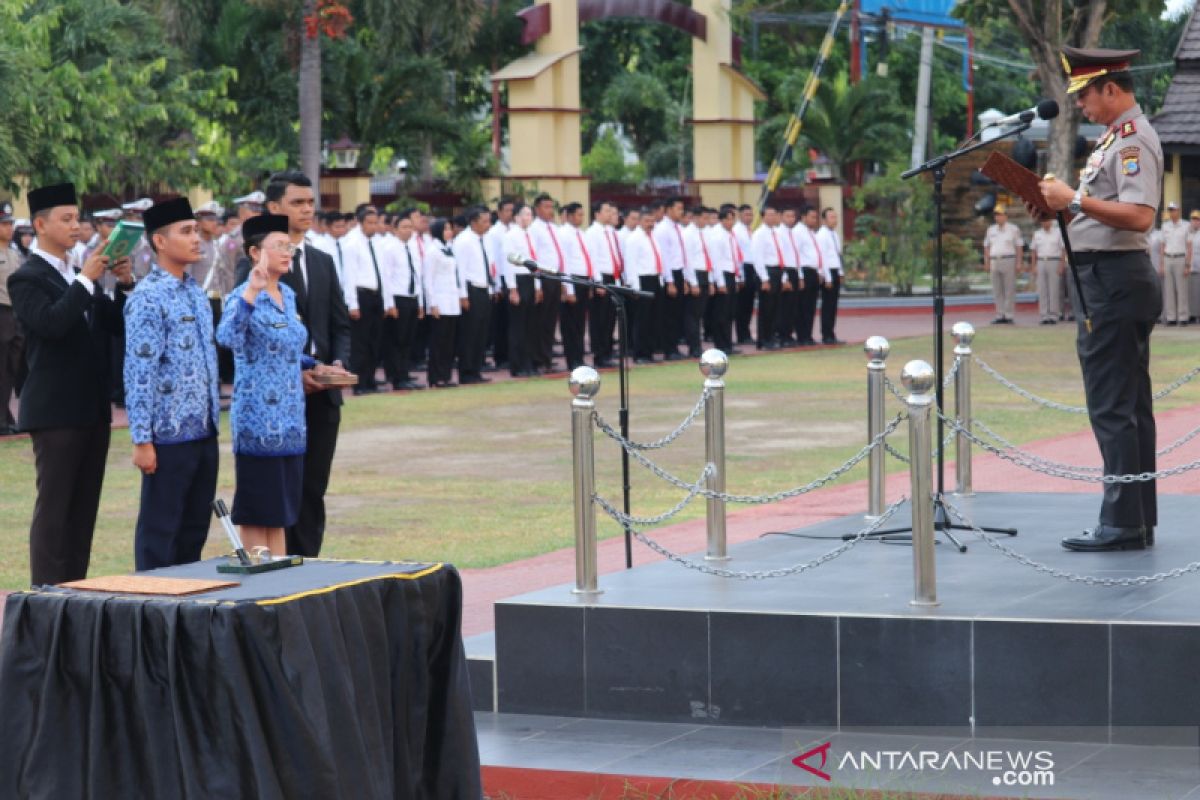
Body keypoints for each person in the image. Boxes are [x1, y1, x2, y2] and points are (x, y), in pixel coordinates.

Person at [1038, 46, 1163, 552]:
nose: (1082, 107)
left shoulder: (1133, 142)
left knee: (1113, 405)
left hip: (1114, 279)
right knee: (1129, 405)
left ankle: (1121, 522)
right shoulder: (1113, 140)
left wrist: (1072, 199)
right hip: (1108, 278)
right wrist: (1056, 203)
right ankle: (1135, 518)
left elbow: (1139, 216)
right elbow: (1100, 211)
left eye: (1086, 95)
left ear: (1112, 88)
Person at [8, 183, 134, 585]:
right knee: (55, 510)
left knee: (83, 512)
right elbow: (52, 325)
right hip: (56, 410)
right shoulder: (26, 278)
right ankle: (46, 597)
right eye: (65, 219)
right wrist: (86, 282)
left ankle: (76, 594)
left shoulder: (81, 273)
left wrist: (124, 284)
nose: (75, 227)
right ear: (40, 225)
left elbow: (114, 326)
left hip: (91, 408)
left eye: (77, 218)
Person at [217, 214, 326, 556]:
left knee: (280, 512)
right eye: (278, 246)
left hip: (292, 422)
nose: (286, 251)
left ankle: (278, 583)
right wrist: (252, 289)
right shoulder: (242, 297)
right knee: (259, 510)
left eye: (288, 246)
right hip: (259, 423)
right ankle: (261, 586)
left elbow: (288, 347)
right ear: (254, 253)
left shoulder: (289, 295)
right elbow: (227, 336)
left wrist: (317, 366)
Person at [124, 198, 221, 570]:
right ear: (160, 242)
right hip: (167, 436)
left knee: (194, 532)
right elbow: (139, 372)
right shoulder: (148, 297)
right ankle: (151, 619)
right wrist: (142, 439)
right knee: (159, 534)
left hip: (203, 431)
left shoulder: (195, 292)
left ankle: (185, 618)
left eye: (196, 230)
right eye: (186, 231)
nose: (196, 238)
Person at [261, 171, 352, 557]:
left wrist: (337, 364)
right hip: (280, 395)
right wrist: (293, 373)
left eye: (310, 203)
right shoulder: (258, 263)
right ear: (274, 208)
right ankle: (283, 562)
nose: (307, 210)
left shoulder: (322, 260)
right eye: (297, 203)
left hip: (323, 394)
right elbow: (256, 334)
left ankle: (309, 563)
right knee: (283, 486)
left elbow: (339, 323)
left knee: (314, 487)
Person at [341, 205, 390, 394]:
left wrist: (387, 301)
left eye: (376, 222)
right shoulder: (351, 243)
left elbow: (383, 273)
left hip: (376, 294)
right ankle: (359, 383)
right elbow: (350, 276)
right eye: (369, 223)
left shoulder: (378, 242)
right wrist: (352, 304)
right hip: (361, 295)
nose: (373, 226)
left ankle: (370, 380)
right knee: (360, 343)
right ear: (360, 223)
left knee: (374, 341)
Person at [381, 211, 425, 390]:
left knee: (408, 340)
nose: (408, 231)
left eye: (410, 227)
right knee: (397, 340)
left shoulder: (413, 247)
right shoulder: (390, 248)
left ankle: (405, 373)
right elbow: (387, 277)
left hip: (412, 297)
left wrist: (421, 303)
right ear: (395, 229)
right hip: (398, 298)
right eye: (404, 227)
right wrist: (389, 304)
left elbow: (418, 275)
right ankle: (397, 377)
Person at [451, 206, 495, 384]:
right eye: (484, 221)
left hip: (484, 289)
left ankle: (476, 369)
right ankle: (467, 372)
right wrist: (463, 295)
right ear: (474, 222)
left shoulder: (485, 239)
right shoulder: (464, 240)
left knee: (481, 333)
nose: (488, 224)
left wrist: (491, 289)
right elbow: (460, 270)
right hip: (471, 290)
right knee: (469, 333)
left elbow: (488, 266)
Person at [623, 206, 668, 362]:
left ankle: (649, 351)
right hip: (642, 280)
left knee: (653, 319)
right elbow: (631, 264)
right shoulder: (634, 238)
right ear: (640, 221)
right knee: (641, 320)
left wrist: (661, 280)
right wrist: (635, 287)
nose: (650, 223)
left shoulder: (653, 237)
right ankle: (640, 354)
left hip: (655, 279)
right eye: (647, 221)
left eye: (652, 221)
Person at [528, 195, 567, 372]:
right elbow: (533, 257)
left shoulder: (554, 228)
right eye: (546, 207)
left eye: (552, 207)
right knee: (539, 321)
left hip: (556, 276)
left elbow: (559, 254)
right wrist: (537, 284)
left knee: (551, 320)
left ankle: (547, 356)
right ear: (537, 209)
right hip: (543, 277)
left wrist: (564, 279)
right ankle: (538, 359)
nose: (550, 210)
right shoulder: (534, 229)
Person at [502, 203, 541, 377]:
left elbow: (535, 261)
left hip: (530, 279)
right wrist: (512, 289)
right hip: (517, 280)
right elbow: (508, 263)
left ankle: (529, 363)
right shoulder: (511, 235)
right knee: (518, 326)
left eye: (530, 214)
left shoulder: (531, 235)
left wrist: (538, 285)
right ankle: (517, 366)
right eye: (524, 214)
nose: (528, 217)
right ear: (516, 217)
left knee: (530, 325)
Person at [424, 218, 462, 388]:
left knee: (449, 342)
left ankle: (445, 375)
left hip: (452, 301)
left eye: (450, 228)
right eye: (445, 229)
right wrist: (432, 303)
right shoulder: (433, 251)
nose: (449, 231)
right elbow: (428, 279)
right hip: (439, 302)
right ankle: (436, 377)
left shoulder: (449, 249)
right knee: (438, 342)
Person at [585, 200, 622, 368]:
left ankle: (607, 352)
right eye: (606, 211)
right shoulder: (592, 233)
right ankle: (599, 355)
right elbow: (592, 258)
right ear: (597, 214)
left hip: (613, 276)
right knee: (599, 319)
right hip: (602, 278)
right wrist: (598, 281)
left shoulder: (610, 231)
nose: (610, 214)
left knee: (610, 317)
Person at [558, 202, 593, 370]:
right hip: (573, 280)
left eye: (582, 214)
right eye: (578, 214)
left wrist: (591, 282)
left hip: (584, 280)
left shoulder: (582, 233)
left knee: (580, 323)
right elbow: (564, 263)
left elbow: (588, 259)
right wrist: (568, 288)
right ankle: (572, 359)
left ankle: (579, 357)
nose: (581, 217)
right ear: (570, 216)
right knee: (570, 324)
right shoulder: (563, 234)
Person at [705, 204, 742, 354]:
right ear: (721, 220)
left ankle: (728, 344)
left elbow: (735, 258)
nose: (731, 222)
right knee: (721, 313)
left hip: (731, 274)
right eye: (728, 219)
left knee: (729, 312)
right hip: (722, 275)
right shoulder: (717, 235)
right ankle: (720, 344)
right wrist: (720, 282)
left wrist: (738, 278)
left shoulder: (730, 235)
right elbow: (716, 260)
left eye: (733, 219)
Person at [0, 202, 22, 435]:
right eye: (4, 224)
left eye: (10, 224)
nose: (9, 228)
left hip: (14, 314)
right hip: (0, 312)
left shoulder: (14, 254)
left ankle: (5, 416)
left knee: (11, 368)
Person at [750, 203, 783, 350]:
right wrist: (764, 278)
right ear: (763, 217)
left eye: (774, 214)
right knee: (766, 309)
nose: (772, 217)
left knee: (775, 308)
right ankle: (763, 340)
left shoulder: (776, 232)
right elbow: (758, 258)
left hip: (777, 271)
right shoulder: (759, 234)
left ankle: (771, 337)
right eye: (768, 215)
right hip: (767, 273)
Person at [983, 206, 1023, 324]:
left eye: (1000, 215)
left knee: (1009, 288)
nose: (998, 217)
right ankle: (999, 314)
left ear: (1006, 216)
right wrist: (987, 261)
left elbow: (1019, 246)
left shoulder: (1013, 229)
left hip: (1008, 259)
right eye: (996, 215)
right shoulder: (991, 230)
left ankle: (1008, 314)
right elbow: (986, 246)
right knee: (997, 289)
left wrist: (1019, 262)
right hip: (995, 259)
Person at [815, 207, 845, 344]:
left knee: (833, 305)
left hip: (835, 270)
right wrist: (827, 277)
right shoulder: (822, 235)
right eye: (831, 217)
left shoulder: (834, 234)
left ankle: (831, 333)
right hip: (828, 272)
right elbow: (823, 258)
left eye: (835, 217)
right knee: (827, 305)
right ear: (824, 219)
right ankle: (826, 334)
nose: (835, 220)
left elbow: (837, 255)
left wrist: (840, 272)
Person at [1029, 218, 1064, 324]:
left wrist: (1061, 265)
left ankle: (1054, 315)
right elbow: (1034, 251)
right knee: (1042, 289)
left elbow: (1063, 250)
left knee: (1054, 289)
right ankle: (1044, 315)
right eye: (1043, 220)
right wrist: (1033, 266)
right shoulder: (1037, 234)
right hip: (1041, 261)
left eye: (1046, 220)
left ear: (1051, 221)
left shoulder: (1058, 232)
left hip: (1054, 260)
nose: (1045, 222)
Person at [1159, 201, 1189, 326]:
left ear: (1179, 211)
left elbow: (1189, 246)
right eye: (1170, 210)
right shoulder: (1165, 226)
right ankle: (1171, 317)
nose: (1172, 212)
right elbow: (1162, 245)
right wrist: (1161, 264)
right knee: (1169, 289)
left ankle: (1183, 317)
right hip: (1168, 258)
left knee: (1182, 289)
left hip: (1181, 258)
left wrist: (1188, 264)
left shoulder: (1186, 225)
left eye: (1173, 210)